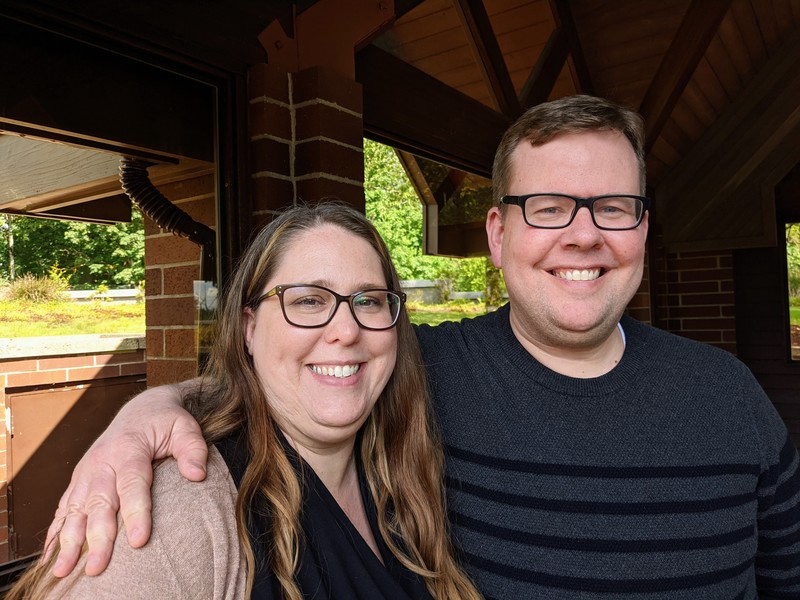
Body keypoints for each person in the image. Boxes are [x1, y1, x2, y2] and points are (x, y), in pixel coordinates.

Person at [46, 95, 800, 598]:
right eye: (547, 207)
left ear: (641, 227)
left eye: (613, 206)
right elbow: (302, 375)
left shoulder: (733, 396)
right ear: (498, 237)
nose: (583, 233)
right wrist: (147, 411)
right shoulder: (425, 369)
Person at [8, 203, 482, 599]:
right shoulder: (182, 513)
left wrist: (156, 402)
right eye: (309, 301)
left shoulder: (395, 466)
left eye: (369, 301)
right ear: (250, 328)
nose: (346, 330)